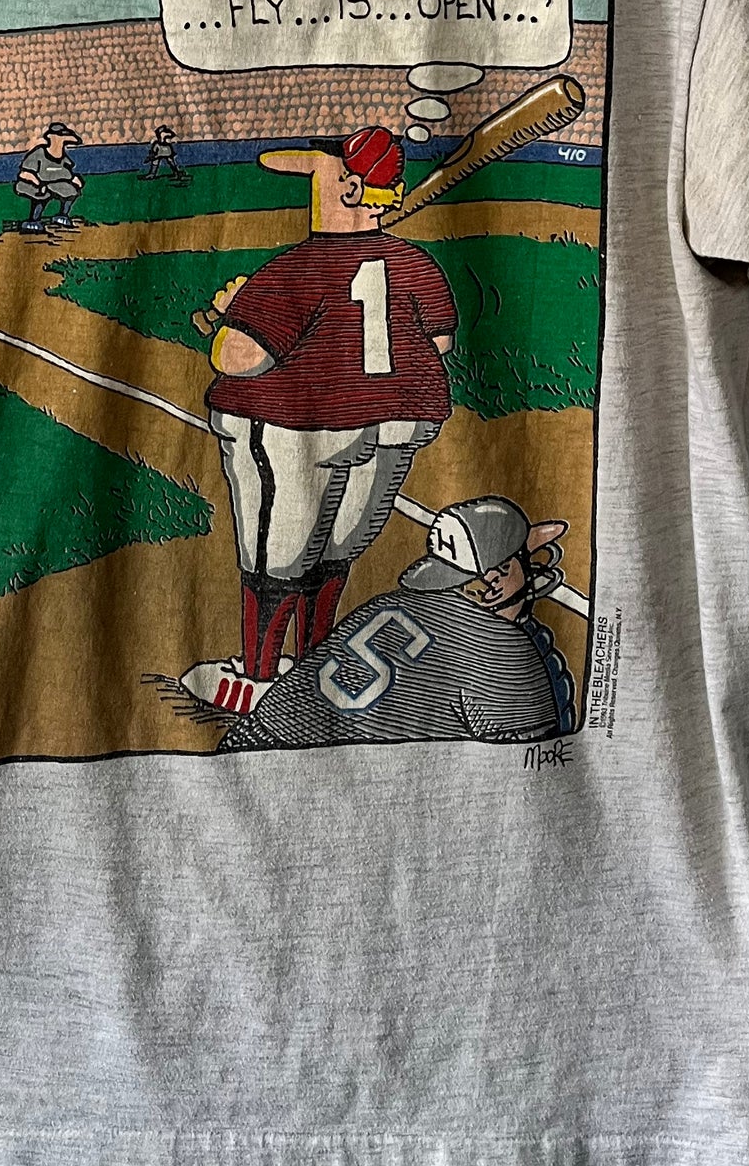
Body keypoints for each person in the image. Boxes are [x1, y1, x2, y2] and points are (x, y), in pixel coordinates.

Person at [181, 127, 455, 716]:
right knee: (336, 549)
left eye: (318, 176)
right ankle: (315, 664)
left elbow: (239, 357)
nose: (309, 186)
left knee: (277, 555)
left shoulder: (295, 269)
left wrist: (230, 313)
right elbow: (440, 343)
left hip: (293, 427)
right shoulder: (417, 264)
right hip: (398, 426)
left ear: (351, 189)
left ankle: (258, 677)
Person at [216, 495, 580, 752]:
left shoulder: (388, 603)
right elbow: (529, 763)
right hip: (328, 784)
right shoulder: (502, 648)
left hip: (253, 737)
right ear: (495, 578)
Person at [14, 120, 85, 234]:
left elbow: (65, 172)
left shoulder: (63, 158)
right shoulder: (39, 153)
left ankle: (63, 215)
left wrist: (73, 179)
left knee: (71, 191)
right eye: (59, 137)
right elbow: (25, 173)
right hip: (33, 184)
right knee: (42, 194)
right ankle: (34, 220)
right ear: (51, 137)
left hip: (53, 184)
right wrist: (38, 183)